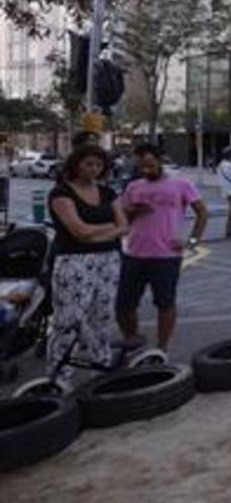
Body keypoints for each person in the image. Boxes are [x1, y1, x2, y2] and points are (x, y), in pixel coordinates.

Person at [46, 145, 129, 384]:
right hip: (73, 260)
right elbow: (78, 231)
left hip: (109, 259)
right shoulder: (62, 193)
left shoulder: (107, 192)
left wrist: (99, 232)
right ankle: (59, 377)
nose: (94, 169)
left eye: (99, 165)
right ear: (76, 164)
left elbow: (124, 227)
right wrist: (108, 229)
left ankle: (100, 367)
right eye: (88, 164)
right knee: (68, 320)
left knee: (102, 317)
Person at [118, 144, 207, 352]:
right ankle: (132, 339)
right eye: (141, 166)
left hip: (166, 255)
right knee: (124, 304)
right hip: (134, 253)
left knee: (165, 303)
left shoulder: (181, 185)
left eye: (149, 164)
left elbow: (202, 213)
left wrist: (192, 241)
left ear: (160, 161)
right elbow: (123, 219)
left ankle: (162, 347)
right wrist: (133, 211)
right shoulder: (133, 187)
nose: (146, 170)